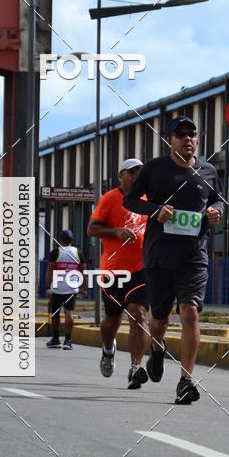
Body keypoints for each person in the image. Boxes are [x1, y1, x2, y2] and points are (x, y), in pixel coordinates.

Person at [123, 116, 224, 405]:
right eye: (181, 134)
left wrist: (216, 211)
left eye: (192, 134)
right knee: (160, 320)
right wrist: (155, 210)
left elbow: (217, 200)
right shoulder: (155, 169)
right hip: (158, 257)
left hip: (194, 256)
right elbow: (129, 200)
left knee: (190, 312)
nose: (188, 139)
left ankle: (185, 381)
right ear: (171, 139)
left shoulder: (208, 170)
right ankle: (157, 349)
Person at [87, 158, 149, 390]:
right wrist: (115, 231)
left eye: (139, 173)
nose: (135, 176)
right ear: (120, 175)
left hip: (142, 269)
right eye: (131, 172)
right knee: (112, 319)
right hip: (113, 270)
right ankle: (108, 349)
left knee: (139, 313)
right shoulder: (110, 198)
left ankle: (135, 368)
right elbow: (91, 229)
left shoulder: (147, 198)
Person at [45, 229, 87, 350]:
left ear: (59, 240)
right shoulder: (78, 252)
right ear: (71, 240)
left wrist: (48, 287)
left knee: (55, 313)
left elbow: (49, 271)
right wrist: (84, 289)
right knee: (69, 312)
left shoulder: (55, 252)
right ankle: (68, 341)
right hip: (72, 287)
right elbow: (84, 272)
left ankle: (56, 339)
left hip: (57, 288)